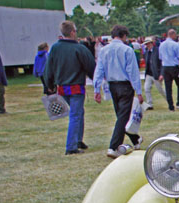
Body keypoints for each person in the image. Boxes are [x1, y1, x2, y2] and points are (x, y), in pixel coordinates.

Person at [43, 22, 95, 154]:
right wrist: (96, 80)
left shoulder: (55, 48)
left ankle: (78, 139)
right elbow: (91, 67)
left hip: (62, 87)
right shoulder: (80, 48)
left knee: (78, 113)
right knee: (75, 115)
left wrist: (49, 85)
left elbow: (49, 68)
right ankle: (71, 146)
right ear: (72, 32)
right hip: (76, 87)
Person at [93, 25, 144, 159]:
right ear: (124, 36)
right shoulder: (127, 50)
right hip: (125, 85)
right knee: (123, 116)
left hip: (112, 85)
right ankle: (114, 146)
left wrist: (96, 88)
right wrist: (138, 91)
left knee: (121, 116)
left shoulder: (104, 50)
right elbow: (133, 72)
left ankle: (135, 139)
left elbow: (99, 70)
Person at [159, 29, 179, 112]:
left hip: (165, 67)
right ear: (172, 35)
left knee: (168, 87)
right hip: (174, 66)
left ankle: (170, 106)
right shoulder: (175, 45)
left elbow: (160, 57)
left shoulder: (161, 45)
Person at [143, 37, 165, 110]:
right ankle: (150, 104)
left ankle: (169, 101)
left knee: (160, 90)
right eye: (146, 44)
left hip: (156, 74)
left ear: (152, 43)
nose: (147, 45)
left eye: (148, 44)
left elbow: (162, 63)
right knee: (146, 88)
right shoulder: (146, 52)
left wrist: (161, 74)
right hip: (149, 74)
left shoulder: (157, 51)